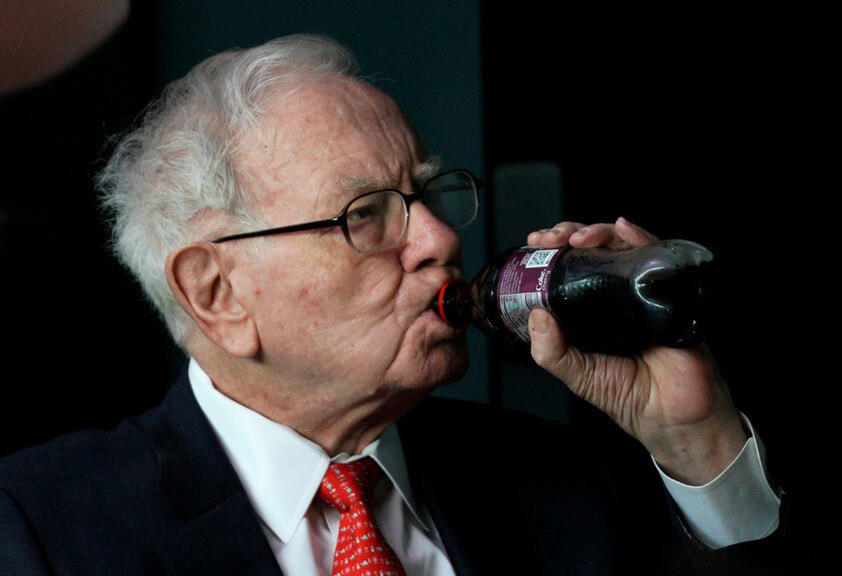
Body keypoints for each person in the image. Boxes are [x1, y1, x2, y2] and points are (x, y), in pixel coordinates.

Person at [0, 34, 794, 575]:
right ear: (217, 293)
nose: (441, 238)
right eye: (366, 215)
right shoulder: (40, 529)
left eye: (426, 193)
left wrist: (696, 441)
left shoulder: (563, 484)